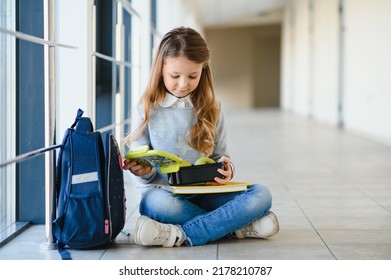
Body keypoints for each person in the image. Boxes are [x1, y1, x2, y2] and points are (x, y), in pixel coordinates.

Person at [123, 26, 279, 247]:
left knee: (262, 194)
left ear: (203, 71)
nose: (183, 83)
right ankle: (235, 228)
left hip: (205, 193)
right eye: (175, 76)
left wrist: (227, 169)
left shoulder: (213, 107)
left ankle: (177, 234)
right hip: (165, 195)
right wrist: (145, 172)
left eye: (192, 76)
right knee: (153, 203)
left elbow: (220, 156)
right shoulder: (145, 110)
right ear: (160, 70)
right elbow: (143, 176)